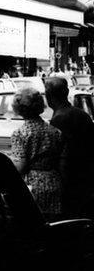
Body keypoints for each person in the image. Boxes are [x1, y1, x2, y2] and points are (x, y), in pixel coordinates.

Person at [9, 88, 64, 218]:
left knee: (34, 227)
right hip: (54, 182)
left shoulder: (20, 133)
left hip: (33, 186)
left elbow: (20, 167)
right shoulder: (54, 131)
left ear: (19, 108)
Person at [46, 77, 94, 218]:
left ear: (49, 97)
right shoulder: (82, 115)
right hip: (85, 176)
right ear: (67, 92)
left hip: (72, 179)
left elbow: (61, 154)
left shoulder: (59, 119)